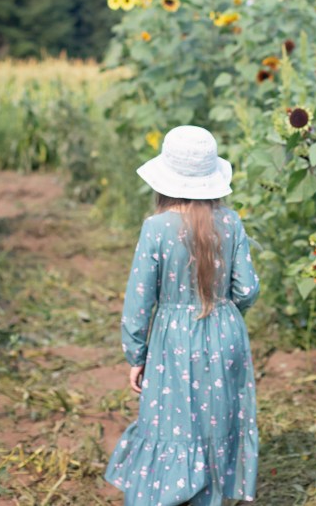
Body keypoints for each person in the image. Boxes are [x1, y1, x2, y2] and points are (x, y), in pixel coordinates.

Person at [105, 125, 260, 505]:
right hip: (226, 333)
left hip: (173, 339)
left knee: (171, 424)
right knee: (217, 420)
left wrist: (136, 355)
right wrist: (225, 315)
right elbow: (247, 288)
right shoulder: (232, 222)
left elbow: (139, 302)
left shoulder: (156, 228)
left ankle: (168, 493)